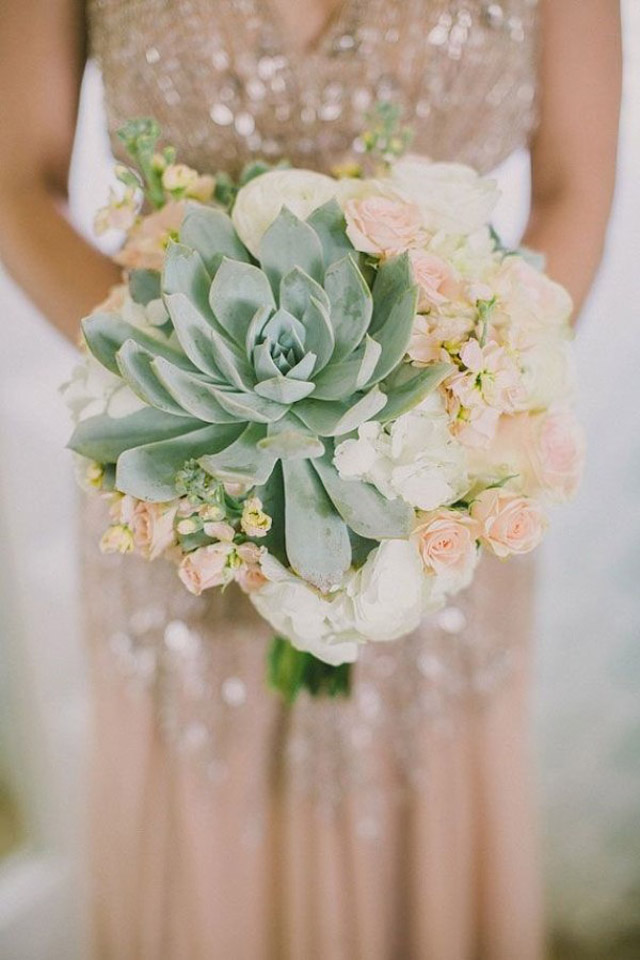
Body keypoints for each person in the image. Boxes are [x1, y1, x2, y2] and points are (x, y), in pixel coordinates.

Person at [0, 2, 621, 958]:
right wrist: (192, 396)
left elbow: (576, 189)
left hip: (435, 480)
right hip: (186, 495)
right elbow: (16, 181)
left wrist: (455, 410)